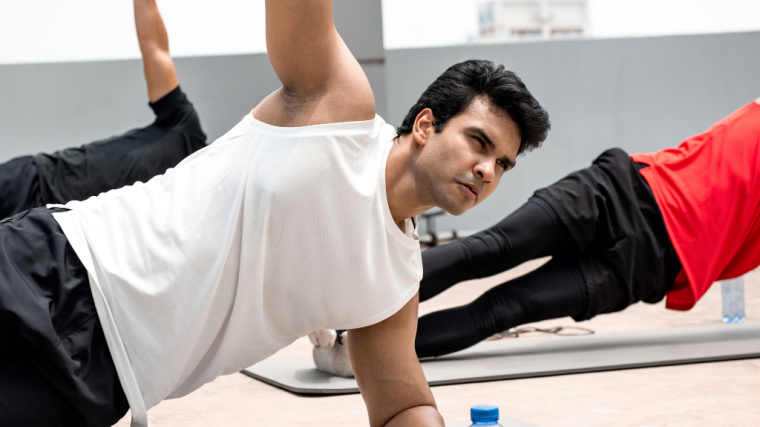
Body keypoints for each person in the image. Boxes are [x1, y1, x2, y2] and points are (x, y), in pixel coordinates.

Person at [0, 1, 551, 426]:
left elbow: (400, 405)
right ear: (427, 125)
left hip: (104, 378)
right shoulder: (338, 108)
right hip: (58, 263)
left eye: (502, 164)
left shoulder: (393, 284)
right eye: (479, 142)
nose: (487, 170)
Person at [414, 96, 760, 358]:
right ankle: (363, 305)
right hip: (625, 189)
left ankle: (374, 355)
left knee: (503, 309)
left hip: (653, 260)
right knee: (489, 249)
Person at [0, 0, 206, 220]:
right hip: (37, 180)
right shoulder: (185, 128)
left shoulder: (191, 205)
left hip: (51, 233)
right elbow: (155, 49)